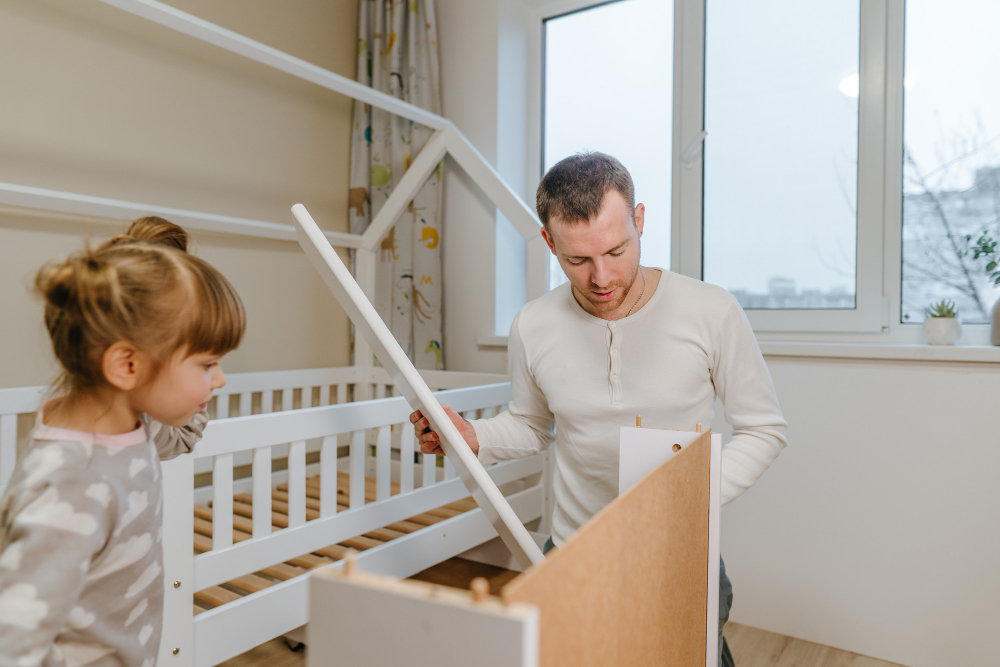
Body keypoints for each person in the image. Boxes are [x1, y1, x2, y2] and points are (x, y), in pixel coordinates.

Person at [411, 152, 787, 666]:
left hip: (678, 553)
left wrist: (684, 498)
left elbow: (765, 429)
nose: (602, 277)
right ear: (549, 243)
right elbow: (531, 425)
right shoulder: (533, 324)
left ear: (639, 221)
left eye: (616, 250)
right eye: (577, 260)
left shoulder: (711, 310)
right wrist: (472, 437)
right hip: (571, 552)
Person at [0, 228, 245, 666]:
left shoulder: (134, 431)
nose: (221, 379)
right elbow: (13, 642)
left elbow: (184, 435)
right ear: (127, 364)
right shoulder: (70, 482)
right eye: (208, 364)